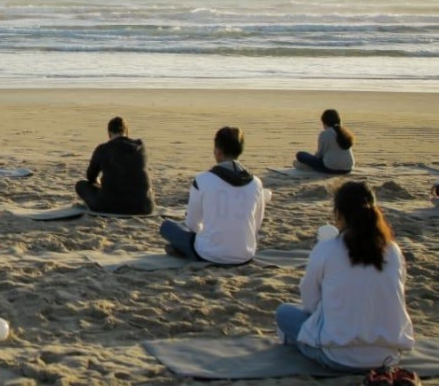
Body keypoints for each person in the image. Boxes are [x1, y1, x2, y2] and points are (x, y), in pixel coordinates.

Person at [274, 181, 414, 372]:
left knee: (284, 313)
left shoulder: (327, 248)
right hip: (387, 356)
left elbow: (310, 302)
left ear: (339, 215)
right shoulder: (394, 251)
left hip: (338, 357)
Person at [159, 127, 267, 264]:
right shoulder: (256, 183)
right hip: (246, 253)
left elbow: (192, 224)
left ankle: (183, 250)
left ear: (218, 151)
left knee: (167, 227)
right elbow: (257, 224)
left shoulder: (202, 180)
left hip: (209, 254)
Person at [75, 116, 154, 215]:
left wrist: (100, 184)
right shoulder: (141, 146)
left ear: (109, 133)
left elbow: (91, 176)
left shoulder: (103, 149)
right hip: (144, 207)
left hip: (110, 207)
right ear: (127, 132)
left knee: (81, 185)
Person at [294, 109, 355, 174]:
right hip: (348, 168)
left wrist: (313, 160)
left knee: (300, 155)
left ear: (324, 122)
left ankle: (310, 168)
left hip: (331, 168)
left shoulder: (325, 133)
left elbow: (320, 154)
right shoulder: (345, 132)